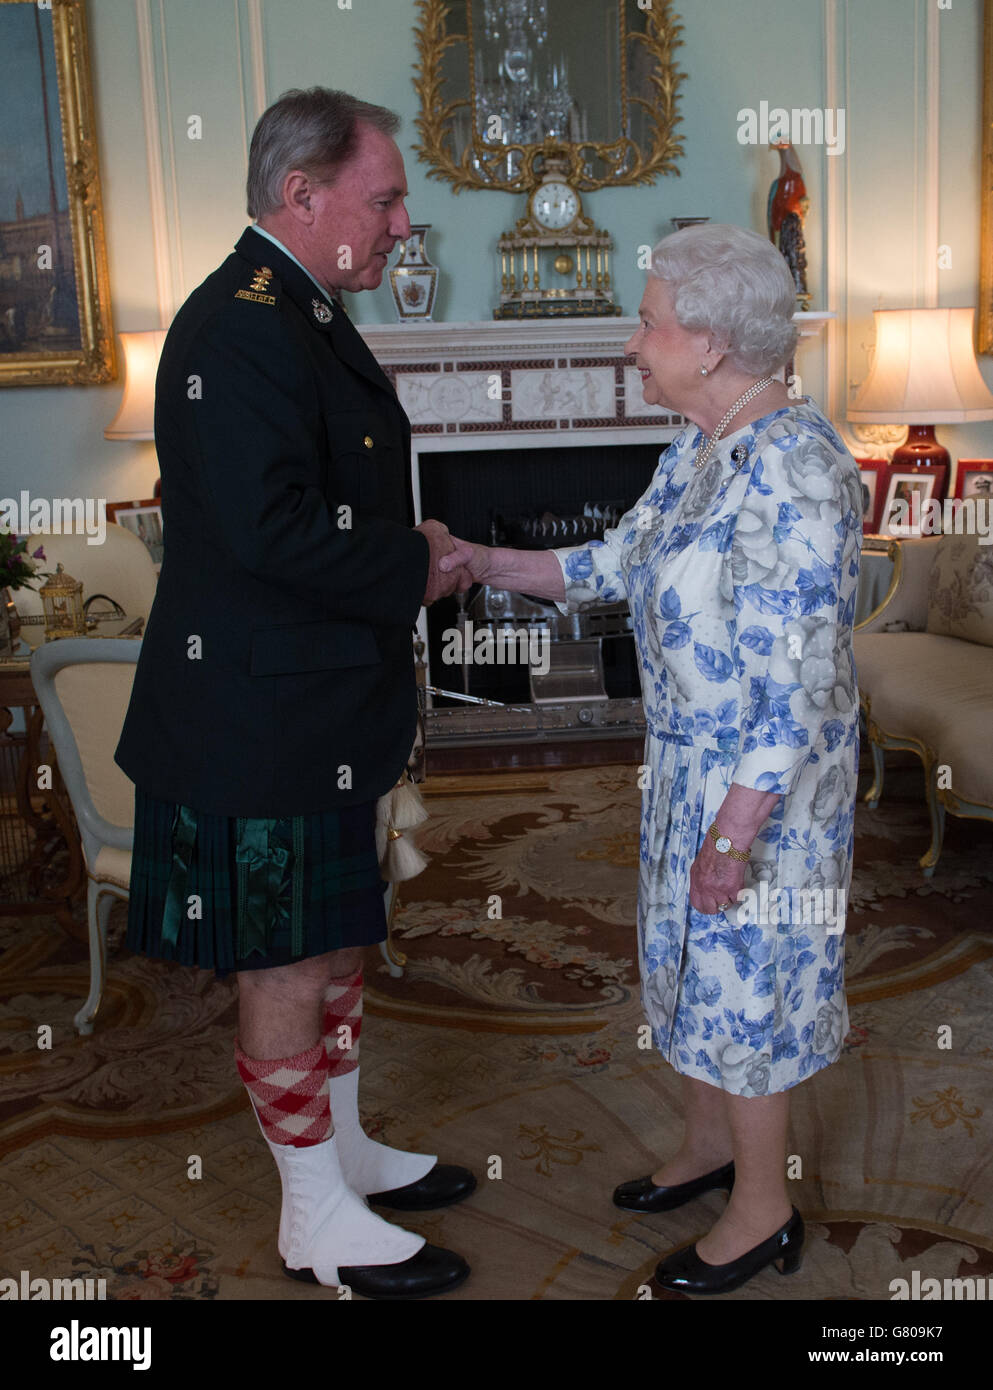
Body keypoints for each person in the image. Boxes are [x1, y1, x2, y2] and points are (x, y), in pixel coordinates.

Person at [440, 222, 861, 1295]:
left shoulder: (798, 474)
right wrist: (480, 557)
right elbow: (611, 560)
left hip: (762, 793)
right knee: (687, 968)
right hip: (685, 769)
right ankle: (712, 1148)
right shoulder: (700, 448)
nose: (635, 343)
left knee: (749, 987)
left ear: (710, 344)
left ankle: (764, 1210)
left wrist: (736, 830)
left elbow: (797, 686)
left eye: (649, 322)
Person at [115, 87, 477, 1300]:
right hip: (256, 718)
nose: (401, 225)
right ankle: (312, 1216)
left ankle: (350, 1149)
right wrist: (414, 563)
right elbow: (268, 531)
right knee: (280, 961)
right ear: (300, 195)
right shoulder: (240, 327)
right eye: (383, 199)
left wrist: (398, 548)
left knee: (332, 941)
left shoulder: (300, 310)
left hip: (310, 705)